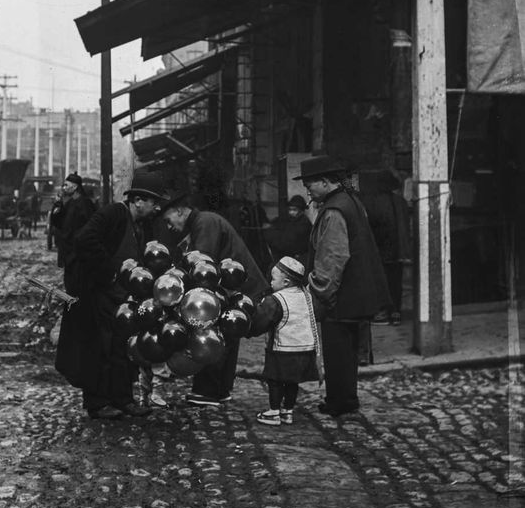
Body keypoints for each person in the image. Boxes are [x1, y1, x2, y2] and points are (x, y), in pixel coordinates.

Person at [54, 170, 169, 420]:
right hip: (97, 294)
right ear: (138, 200)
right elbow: (85, 240)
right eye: (153, 202)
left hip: (121, 298)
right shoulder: (113, 214)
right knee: (99, 349)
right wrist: (109, 273)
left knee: (122, 349)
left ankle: (123, 399)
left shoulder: (143, 225)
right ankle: (97, 404)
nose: (156, 208)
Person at [297, 154, 390, 418]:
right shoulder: (349, 201)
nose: (307, 189)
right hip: (357, 292)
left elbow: (333, 256)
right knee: (348, 352)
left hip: (341, 295)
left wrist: (318, 293)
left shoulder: (334, 210)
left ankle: (339, 402)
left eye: (310, 184)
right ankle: (347, 399)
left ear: (326, 182)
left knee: (338, 351)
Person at [160, 192, 269, 407]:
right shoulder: (205, 221)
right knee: (228, 334)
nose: (169, 226)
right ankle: (220, 390)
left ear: (180, 210)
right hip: (242, 288)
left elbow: (202, 267)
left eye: (168, 219)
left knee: (212, 331)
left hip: (240, 289)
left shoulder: (205, 222)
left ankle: (208, 391)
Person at [248, 256, 322, 426]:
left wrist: (250, 329)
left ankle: (274, 411)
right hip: (304, 348)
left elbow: (262, 320)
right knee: (292, 381)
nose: (271, 283)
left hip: (282, 349)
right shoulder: (307, 296)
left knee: (275, 380)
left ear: (286, 282)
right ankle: (287, 411)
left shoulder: (275, 300)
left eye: (273, 279)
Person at [359, 169, 411, 325]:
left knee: (381, 283)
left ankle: (382, 312)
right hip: (399, 251)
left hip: (381, 250)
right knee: (396, 283)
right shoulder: (400, 201)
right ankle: (396, 313)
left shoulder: (373, 202)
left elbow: (373, 227)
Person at [53, 173, 95, 294]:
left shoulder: (85, 204)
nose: (63, 188)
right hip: (69, 252)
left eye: (66, 185)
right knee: (70, 285)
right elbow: (59, 224)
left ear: (75, 187)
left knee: (78, 287)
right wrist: (58, 204)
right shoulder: (70, 203)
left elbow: (89, 229)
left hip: (79, 254)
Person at [264, 194, 312, 265]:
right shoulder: (291, 220)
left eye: (294, 210)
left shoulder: (304, 224)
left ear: (301, 210)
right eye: (290, 209)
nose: (291, 212)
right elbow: (280, 223)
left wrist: (270, 235)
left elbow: (289, 243)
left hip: (297, 259)